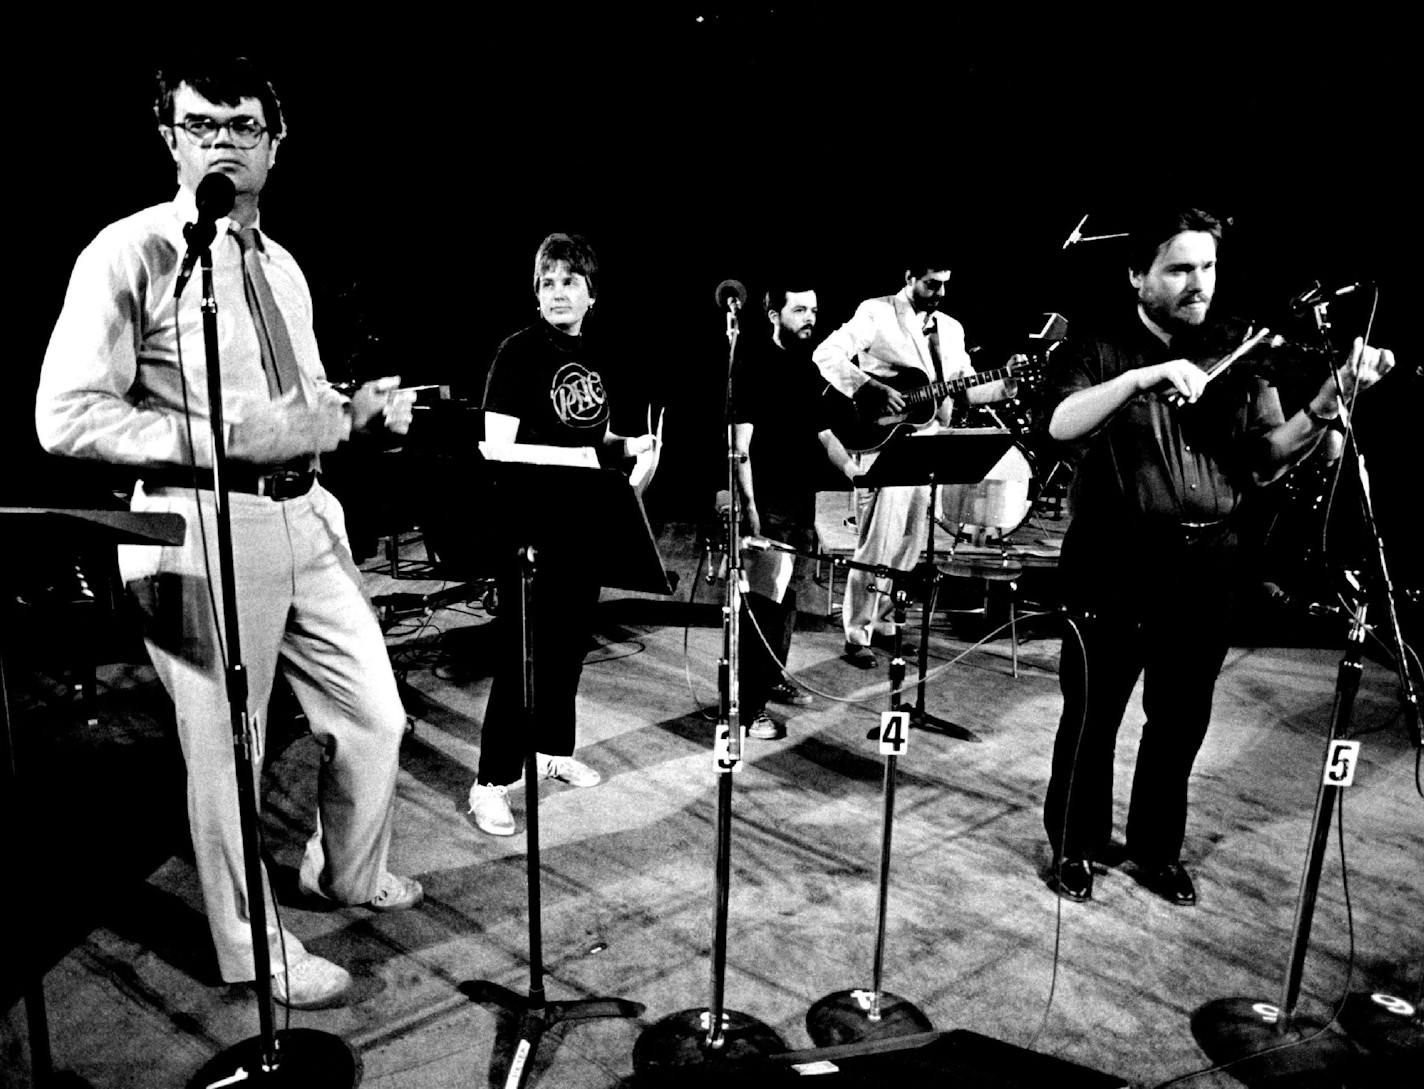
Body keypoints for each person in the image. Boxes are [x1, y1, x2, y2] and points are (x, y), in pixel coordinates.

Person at [34, 57, 424, 1009]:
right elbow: (66, 415)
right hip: (196, 522)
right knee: (226, 751)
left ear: (275, 144)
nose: (222, 142)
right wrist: (229, 438)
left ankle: (343, 871)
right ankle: (252, 946)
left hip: (304, 511)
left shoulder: (279, 263)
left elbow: (291, 398)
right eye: (201, 125)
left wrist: (350, 411)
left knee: (375, 715)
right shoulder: (127, 254)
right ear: (170, 139)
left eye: (242, 126)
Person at [1039, 206, 1394, 906]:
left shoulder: (1240, 346)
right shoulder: (1097, 345)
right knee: (1092, 712)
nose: (1197, 283)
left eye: (1206, 267)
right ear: (1138, 275)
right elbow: (1058, 423)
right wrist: (1143, 379)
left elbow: (1264, 458)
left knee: (1181, 716)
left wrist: (1329, 400)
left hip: (1208, 565)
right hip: (1113, 559)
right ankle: (1076, 844)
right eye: (1178, 269)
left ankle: (1155, 848)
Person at [467, 232, 659, 836]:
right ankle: (490, 782)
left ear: (590, 293)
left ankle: (552, 753)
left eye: (568, 281)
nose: (556, 292)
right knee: (523, 654)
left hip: (584, 522)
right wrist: (573, 463)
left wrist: (630, 446)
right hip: (531, 524)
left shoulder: (596, 355)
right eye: (546, 282)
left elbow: (592, 436)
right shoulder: (517, 353)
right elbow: (497, 447)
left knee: (570, 647)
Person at [813, 258, 1017, 666]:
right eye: (930, 284)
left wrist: (1007, 383)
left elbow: (965, 388)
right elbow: (826, 354)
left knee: (909, 544)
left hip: (928, 445)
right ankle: (857, 634)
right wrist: (869, 386)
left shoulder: (953, 329)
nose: (939, 293)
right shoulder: (877, 312)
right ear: (908, 278)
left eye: (944, 285)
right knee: (877, 544)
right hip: (883, 444)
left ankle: (886, 623)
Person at [732, 278, 859, 739]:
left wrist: (855, 474)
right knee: (763, 606)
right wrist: (748, 507)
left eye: (814, 310)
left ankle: (771, 678)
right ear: (774, 315)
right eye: (800, 310)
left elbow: (825, 434)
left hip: (798, 502)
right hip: (766, 503)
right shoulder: (751, 365)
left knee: (785, 602)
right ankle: (747, 710)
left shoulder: (807, 370)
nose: (811, 318)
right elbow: (739, 444)